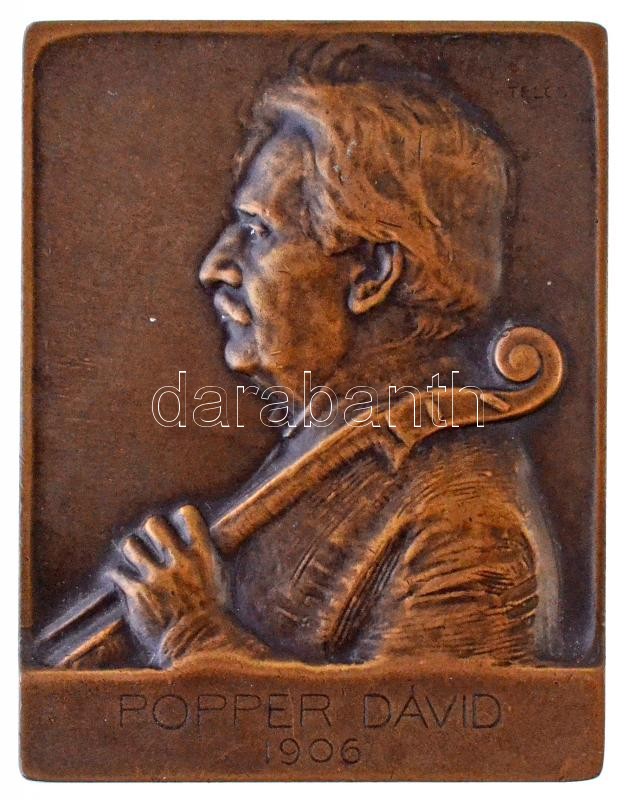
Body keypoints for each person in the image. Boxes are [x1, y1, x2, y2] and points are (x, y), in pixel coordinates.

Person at [108, 43, 561, 668]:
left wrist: (192, 637)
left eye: (259, 231)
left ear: (372, 272)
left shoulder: (462, 512)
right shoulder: (330, 445)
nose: (215, 266)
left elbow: (428, 726)